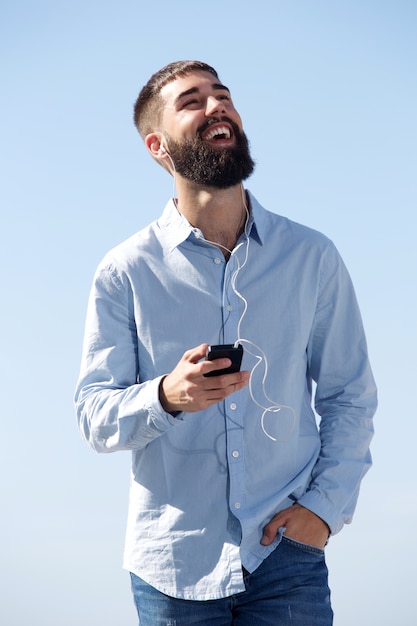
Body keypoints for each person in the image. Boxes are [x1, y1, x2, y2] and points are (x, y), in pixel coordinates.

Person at [75, 60, 377, 625]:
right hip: (172, 567)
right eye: (192, 100)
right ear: (157, 146)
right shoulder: (125, 270)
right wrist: (167, 395)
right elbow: (93, 415)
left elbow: (349, 396)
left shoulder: (312, 257)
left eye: (223, 95)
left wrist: (323, 511)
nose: (216, 106)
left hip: (287, 557)